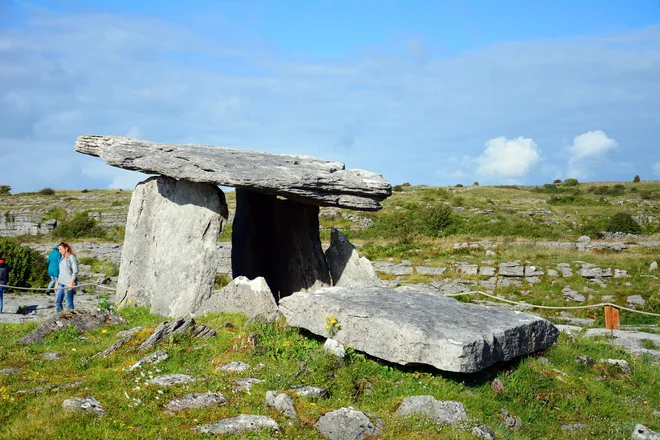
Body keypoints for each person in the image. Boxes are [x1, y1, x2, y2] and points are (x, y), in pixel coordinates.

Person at [55, 242, 78, 312]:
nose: (59, 251)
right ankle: (59, 315)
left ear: (66, 249)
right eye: (59, 249)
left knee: (69, 303)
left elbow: (75, 271)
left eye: (61, 249)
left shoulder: (71, 257)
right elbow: (61, 272)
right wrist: (57, 282)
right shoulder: (61, 258)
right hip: (61, 283)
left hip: (69, 283)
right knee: (58, 302)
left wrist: (71, 283)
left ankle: (71, 317)